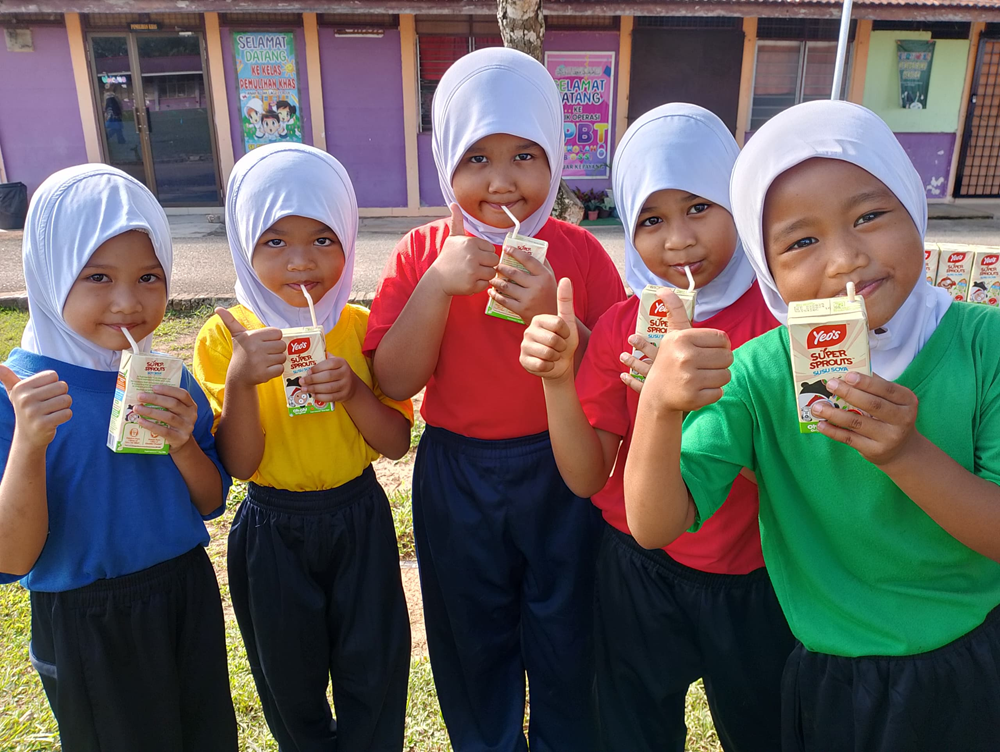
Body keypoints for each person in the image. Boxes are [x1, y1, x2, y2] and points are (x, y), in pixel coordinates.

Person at [624, 99, 1000, 752]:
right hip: (832, 682)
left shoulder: (983, 344)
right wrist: (657, 407)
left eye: (870, 216)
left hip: (971, 663)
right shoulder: (759, 374)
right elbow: (656, 524)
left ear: (913, 205)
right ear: (765, 266)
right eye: (802, 241)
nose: (847, 258)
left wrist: (906, 454)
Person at [364, 47, 625, 751]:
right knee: (471, 637)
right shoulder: (425, 251)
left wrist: (559, 317)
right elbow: (393, 381)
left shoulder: (579, 253)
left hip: (565, 470)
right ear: (446, 161)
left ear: (555, 161)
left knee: (570, 630)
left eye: (524, 156)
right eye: (477, 158)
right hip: (458, 477)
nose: (502, 181)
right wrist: (437, 288)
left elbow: (624, 364)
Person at [520, 103, 792, 752]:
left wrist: (695, 408)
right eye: (651, 219)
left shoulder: (782, 324)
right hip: (636, 569)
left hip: (753, 574)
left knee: (766, 730)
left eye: (699, 206)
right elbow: (588, 477)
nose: (678, 240)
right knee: (633, 730)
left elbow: (803, 477)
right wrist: (559, 378)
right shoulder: (621, 326)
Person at [0, 164, 237, 751]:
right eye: (98, 276)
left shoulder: (166, 379)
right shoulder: (18, 395)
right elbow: (12, 558)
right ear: (51, 275)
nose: (129, 303)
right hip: (84, 617)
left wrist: (183, 443)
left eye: (150, 277)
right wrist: (30, 445)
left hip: (184, 591)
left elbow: (211, 503)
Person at [194, 143, 412, 751]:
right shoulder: (224, 338)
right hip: (272, 528)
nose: (301, 263)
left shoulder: (361, 326)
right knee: (289, 682)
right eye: (273, 242)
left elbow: (395, 444)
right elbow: (239, 466)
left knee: (375, 667)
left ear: (348, 238)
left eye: (322, 239)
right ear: (242, 243)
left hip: (359, 518)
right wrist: (240, 378)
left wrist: (354, 392)